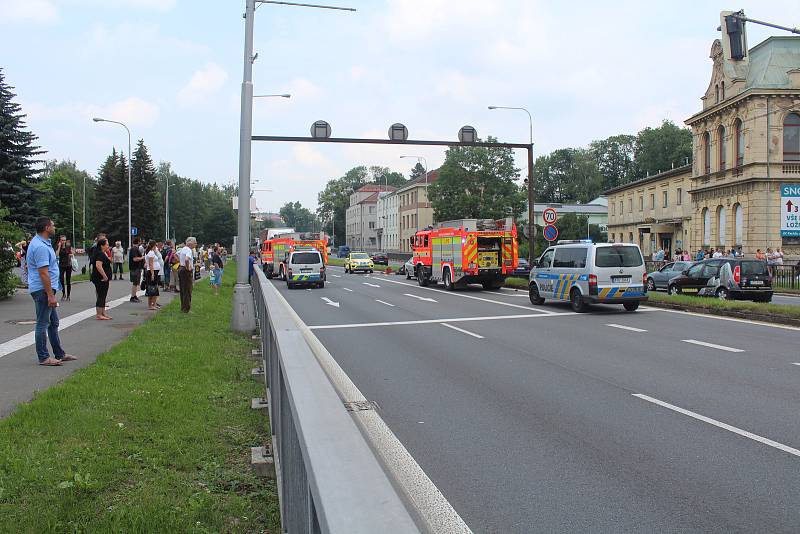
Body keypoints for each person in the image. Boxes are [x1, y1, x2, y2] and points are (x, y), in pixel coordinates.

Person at [26, 217, 76, 366]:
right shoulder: (40, 246)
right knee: (42, 323)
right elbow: (43, 273)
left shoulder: (42, 243)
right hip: (43, 291)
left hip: (45, 290)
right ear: (47, 228)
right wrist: (50, 295)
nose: (54, 227)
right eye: (53, 225)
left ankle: (59, 353)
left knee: (53, 322)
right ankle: (43, 357)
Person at [91, 237, 113, 320]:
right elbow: (98, 265)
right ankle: (99, 314)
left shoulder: (103, 253)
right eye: (107, 244)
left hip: (103, 278)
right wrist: (104, 276)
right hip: (100, 278)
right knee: (101, 295)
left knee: (104, 295)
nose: (108, 246)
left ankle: (103, 312)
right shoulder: (100, 254)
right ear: (102, 246)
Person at [178, 237, 197, 313]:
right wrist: (188, 267)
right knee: (188, 290)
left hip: (181, 269)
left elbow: (176, 255)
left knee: (183, 289)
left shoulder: (183, 249)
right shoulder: (189, 250)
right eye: (195, 243)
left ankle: (183, 307)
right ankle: (186, 309)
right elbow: (186, 259)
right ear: (191, 243)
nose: (196, 244)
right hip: (186, 271)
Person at [144, 240, 161, 311]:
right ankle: (150, 305)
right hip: (152, 272)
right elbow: (151, 264)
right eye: (155, 245)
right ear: (153, 245)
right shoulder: (150, 253)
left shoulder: (152, 252)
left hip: (155, 271)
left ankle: (153, 304)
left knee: (154, 288)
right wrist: (153, 274)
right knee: (152, 289)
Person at [56, 235, 73, 301]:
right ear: (60, 240)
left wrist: (71, 254)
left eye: (64, 240)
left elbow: (71, 253)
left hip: (68, 265)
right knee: (61, 279)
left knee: (68, 281)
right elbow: (57, 255)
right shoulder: (58, 246)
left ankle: (68, 295)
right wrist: (59, 246)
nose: (63, 241)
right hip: (61, 265)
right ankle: (63, 294)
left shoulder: (68, 246)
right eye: (62, 240)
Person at [129, 237, 144, 303]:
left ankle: (134, 295)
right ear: (138, 242)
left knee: (136, 283)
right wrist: (142, 257)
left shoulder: (134, 248)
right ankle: (133, 296)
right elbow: (135, 259)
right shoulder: (134, 249)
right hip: (135, 268)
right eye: (140, 241)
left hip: (136, 268)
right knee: (135, 282)